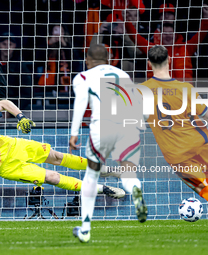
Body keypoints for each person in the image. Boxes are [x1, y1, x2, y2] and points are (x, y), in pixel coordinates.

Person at [142, 45, 208, 232]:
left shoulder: (142, 91)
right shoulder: (185, 88)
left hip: (177, 153)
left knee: (204, 189)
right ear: (169, 61)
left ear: (149, 63)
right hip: (199, 142)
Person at [0, 100, 125, 199]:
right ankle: (104, 189)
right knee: (52, 177)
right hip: (7, 167)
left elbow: (4, 103)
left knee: (57, 156)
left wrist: (21, 117)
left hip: (14, 146)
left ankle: (106, 170)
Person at [69, 44, 147, 243]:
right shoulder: (123, 74)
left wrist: (74, 133)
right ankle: (136, 190)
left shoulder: (83, 77)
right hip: (129, 128)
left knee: (91, 176)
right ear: (109, 58)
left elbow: (80, 104)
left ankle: (85, 230)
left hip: (102, 128)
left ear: (87, 59)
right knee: (129, 174)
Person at [125, 4, 208, 80]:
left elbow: (201, 34)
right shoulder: (153, 48)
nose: (168, 35)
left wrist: (206, 16)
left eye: (170, 33)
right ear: (160, 35)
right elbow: (135, 37)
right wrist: (127, 21)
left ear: (175, 35)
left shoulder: (186, 47)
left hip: (182, 90)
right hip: (160, 91)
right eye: (165, 33)